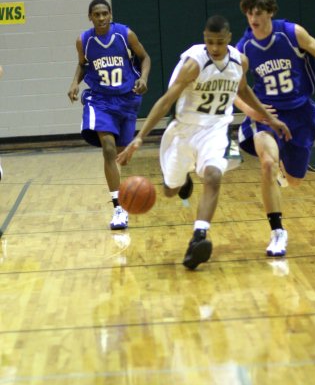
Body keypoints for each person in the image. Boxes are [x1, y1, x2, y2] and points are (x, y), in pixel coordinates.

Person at [117, 15, 291, 270]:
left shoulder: (239, 61)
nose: (215, 48)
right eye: (210, 42)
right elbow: (166, 101)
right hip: (184, 131)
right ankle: (182, 179)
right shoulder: (194, 64)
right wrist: (140, 137)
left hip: (215, 129)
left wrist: (268, 119)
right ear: (204, 39)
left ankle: (199, 237)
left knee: (213, 176)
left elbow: (242, 90)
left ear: (229, 40)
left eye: (220, 42)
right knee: (170, 190)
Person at [234, 0, 315, 257]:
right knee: (266, 163)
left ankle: (284, 174)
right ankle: (277, 232)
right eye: (249, 13)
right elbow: (231, 89)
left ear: (270, 12)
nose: (254, 18)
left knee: (296, 180)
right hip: (269, 116)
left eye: (259, 13)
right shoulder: (243, 49)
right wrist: (250, 110)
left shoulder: (291, 33)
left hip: (300, 113)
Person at [68, 0, 151, 230]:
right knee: (108, 148)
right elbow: (83, 65)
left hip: (126, 99)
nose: (101, 18)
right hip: (100, 100)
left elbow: (145, 58)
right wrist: (75, 83)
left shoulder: (125, 35)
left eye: (105, 13)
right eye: (97, 14)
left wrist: (143, 78)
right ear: (90, 17)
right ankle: (118, 208)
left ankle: (122, 196)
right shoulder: (84, 40)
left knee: (121, 154)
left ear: (110, 14)